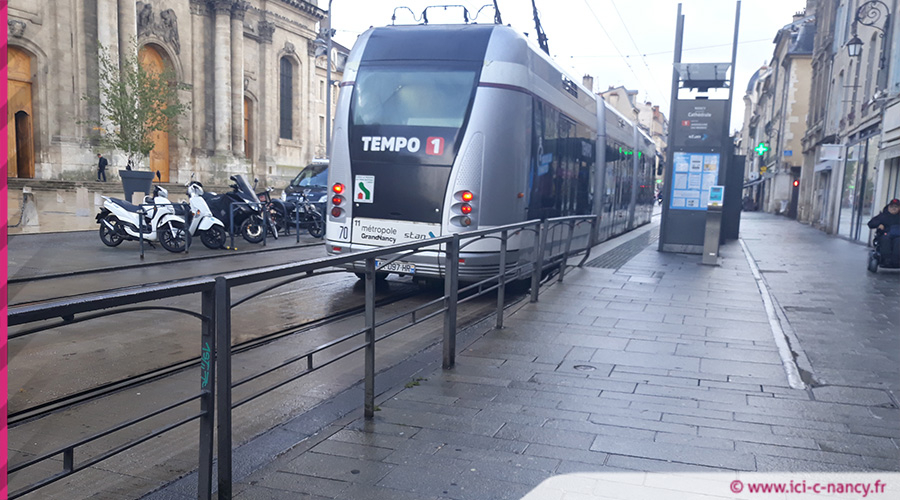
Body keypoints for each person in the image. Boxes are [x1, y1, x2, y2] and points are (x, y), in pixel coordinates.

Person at [867, 198, 900, 267]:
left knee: (898, 240)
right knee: (886, 238)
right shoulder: (882, 216)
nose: (894, 208)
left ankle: (896, 260)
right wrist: (878, 225)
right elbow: (870, 223)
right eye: (892, 206)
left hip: (898, 235)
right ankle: (886, 259)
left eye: (896, 207)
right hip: (885, 235)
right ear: (889, 207)